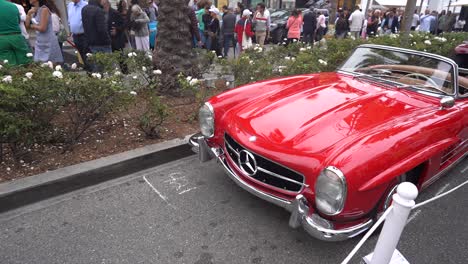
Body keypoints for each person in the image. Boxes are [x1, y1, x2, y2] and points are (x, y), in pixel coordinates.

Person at [0, 0, 31, 65]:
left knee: (8, 64)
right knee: (26, 62)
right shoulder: (13, 6)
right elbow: (18, 21)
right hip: (16, 36)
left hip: (1, 39)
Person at [68, 0, 88, 66]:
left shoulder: (85, 5)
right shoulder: (70, 5)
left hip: (85, 36)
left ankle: (92, 73)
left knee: (87, 56)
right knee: (82, 57)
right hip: (75, 36)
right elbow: (69, 19)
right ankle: (88, 71)